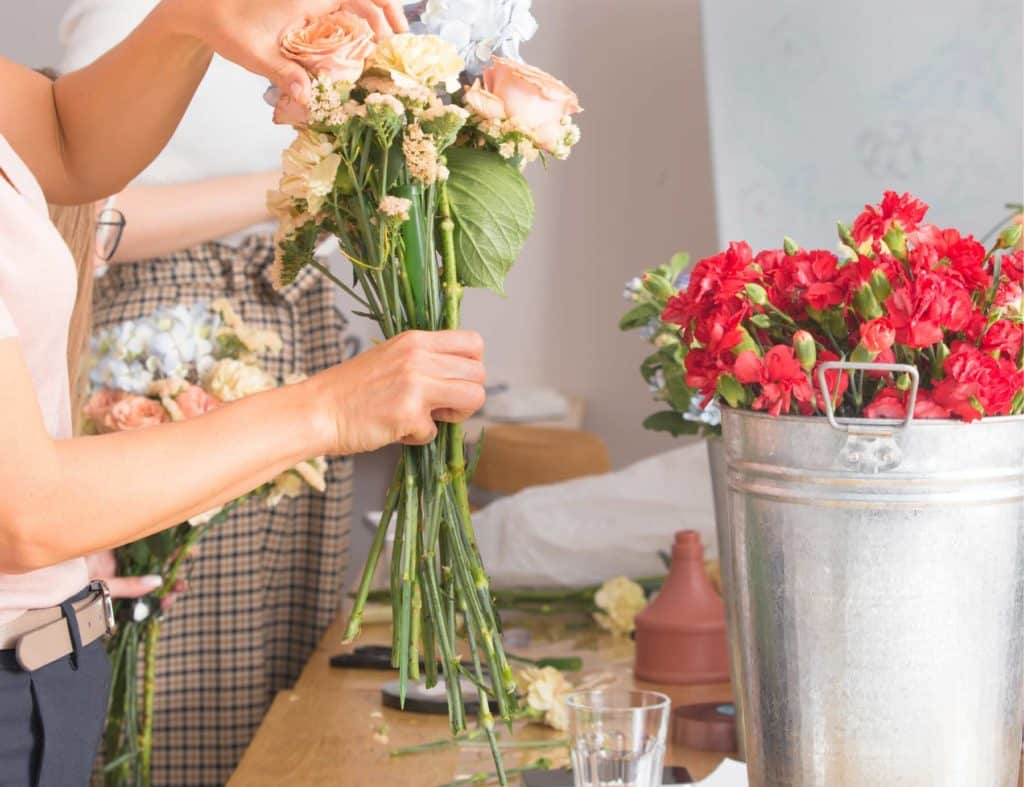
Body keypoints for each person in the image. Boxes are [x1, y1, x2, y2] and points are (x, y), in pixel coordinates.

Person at [0, 2, 487, 785]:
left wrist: (195, 18)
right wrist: (325, 408)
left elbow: (67, 140)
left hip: (49, 662)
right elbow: (24, 514)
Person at [59, 3, 359, 779]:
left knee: (289, 671)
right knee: (183, 674)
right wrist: (293, 188)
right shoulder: (143, 16)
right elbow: (87, 217)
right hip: (176, 344)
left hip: (291, 323)